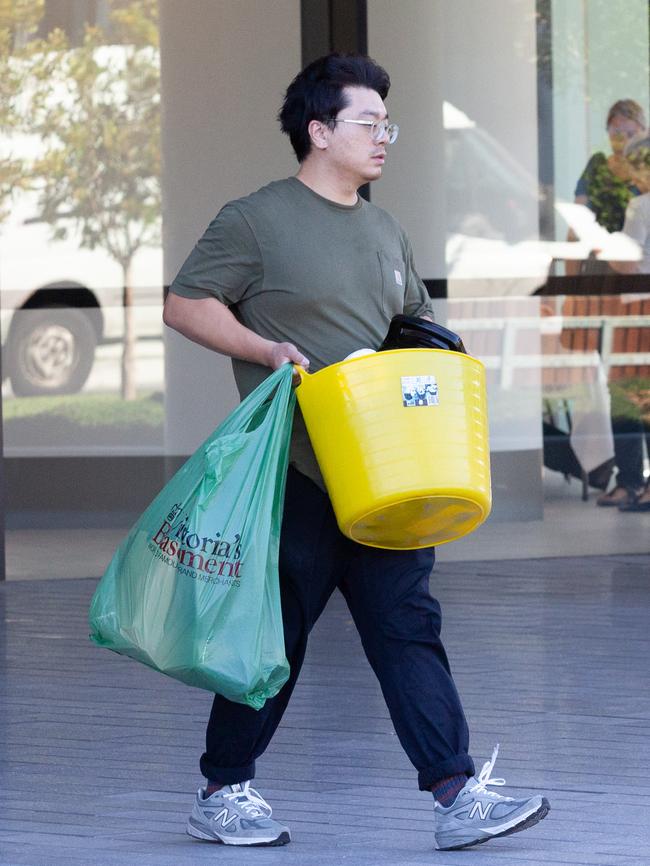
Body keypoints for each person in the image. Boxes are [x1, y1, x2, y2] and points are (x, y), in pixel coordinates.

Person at [163, 53, 550, 852]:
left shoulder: (384, 229)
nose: (384, 138)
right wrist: (263, 348)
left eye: (387, 124)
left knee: (407, 627)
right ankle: (223, 790)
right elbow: (185, 302)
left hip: (389, 475)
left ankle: (455, 791)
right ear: (319, 131)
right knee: (276, 638)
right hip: (299, 474)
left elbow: (412, 326)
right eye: (369, 123)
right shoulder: (256, 220)